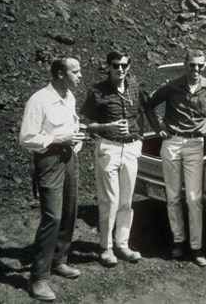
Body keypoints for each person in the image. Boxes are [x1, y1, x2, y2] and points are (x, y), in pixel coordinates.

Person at [144, 49, 206, 267]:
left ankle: (196, 247)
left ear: (204, 67)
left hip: (196, 144)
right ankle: (178, 241)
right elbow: (149, 104)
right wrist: (158, 128)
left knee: (194, 198)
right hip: (172, 144)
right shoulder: (171, 86)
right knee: (173, 195)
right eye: (192, 65)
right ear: (185, 64)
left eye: (200, 65)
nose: (196, 69)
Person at [19, 57, 85, 301]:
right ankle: (38, 278)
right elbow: (26, 137)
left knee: (69, 211)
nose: (80, 76)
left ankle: (59, 260)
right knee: (52, 217)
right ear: (59, 73)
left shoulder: (69, 98)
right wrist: (58, 140)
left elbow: (71, 126)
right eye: (75, 71)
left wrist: (74, 139)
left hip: (69, 159)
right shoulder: (40, 100)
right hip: (48, 160)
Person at [80, 51, 146, 267]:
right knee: (110, 199)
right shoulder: (97, 91)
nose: (120, 69)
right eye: (116, 65)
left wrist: (140, 138)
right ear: (108, 66)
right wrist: (106, 127)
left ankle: (122, 244)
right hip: (109, 146)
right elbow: (86, 125)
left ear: (129, 67)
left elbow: (142, 113)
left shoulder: (134, 87)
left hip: (131, 148)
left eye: (124, 66)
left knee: (127, 200)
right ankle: (105, 247)